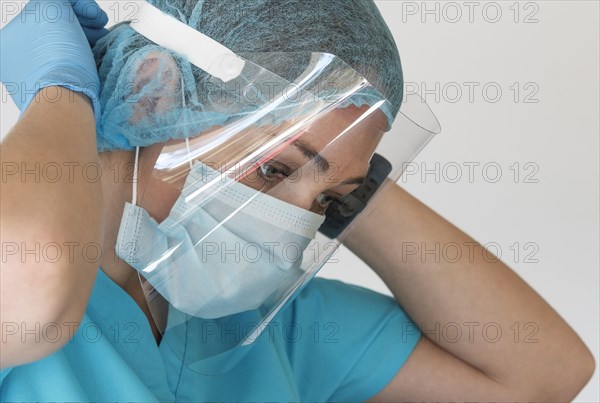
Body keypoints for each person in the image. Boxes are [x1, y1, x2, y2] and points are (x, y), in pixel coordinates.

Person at [0, 0, 594, 402]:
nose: (295, 224)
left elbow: (543, 372)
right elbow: (37, 290)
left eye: (330, 202)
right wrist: (63, 94)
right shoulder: (22, 276)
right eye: (272, 168)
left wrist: (340, 171)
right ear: (154, 93)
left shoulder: (269, 328)